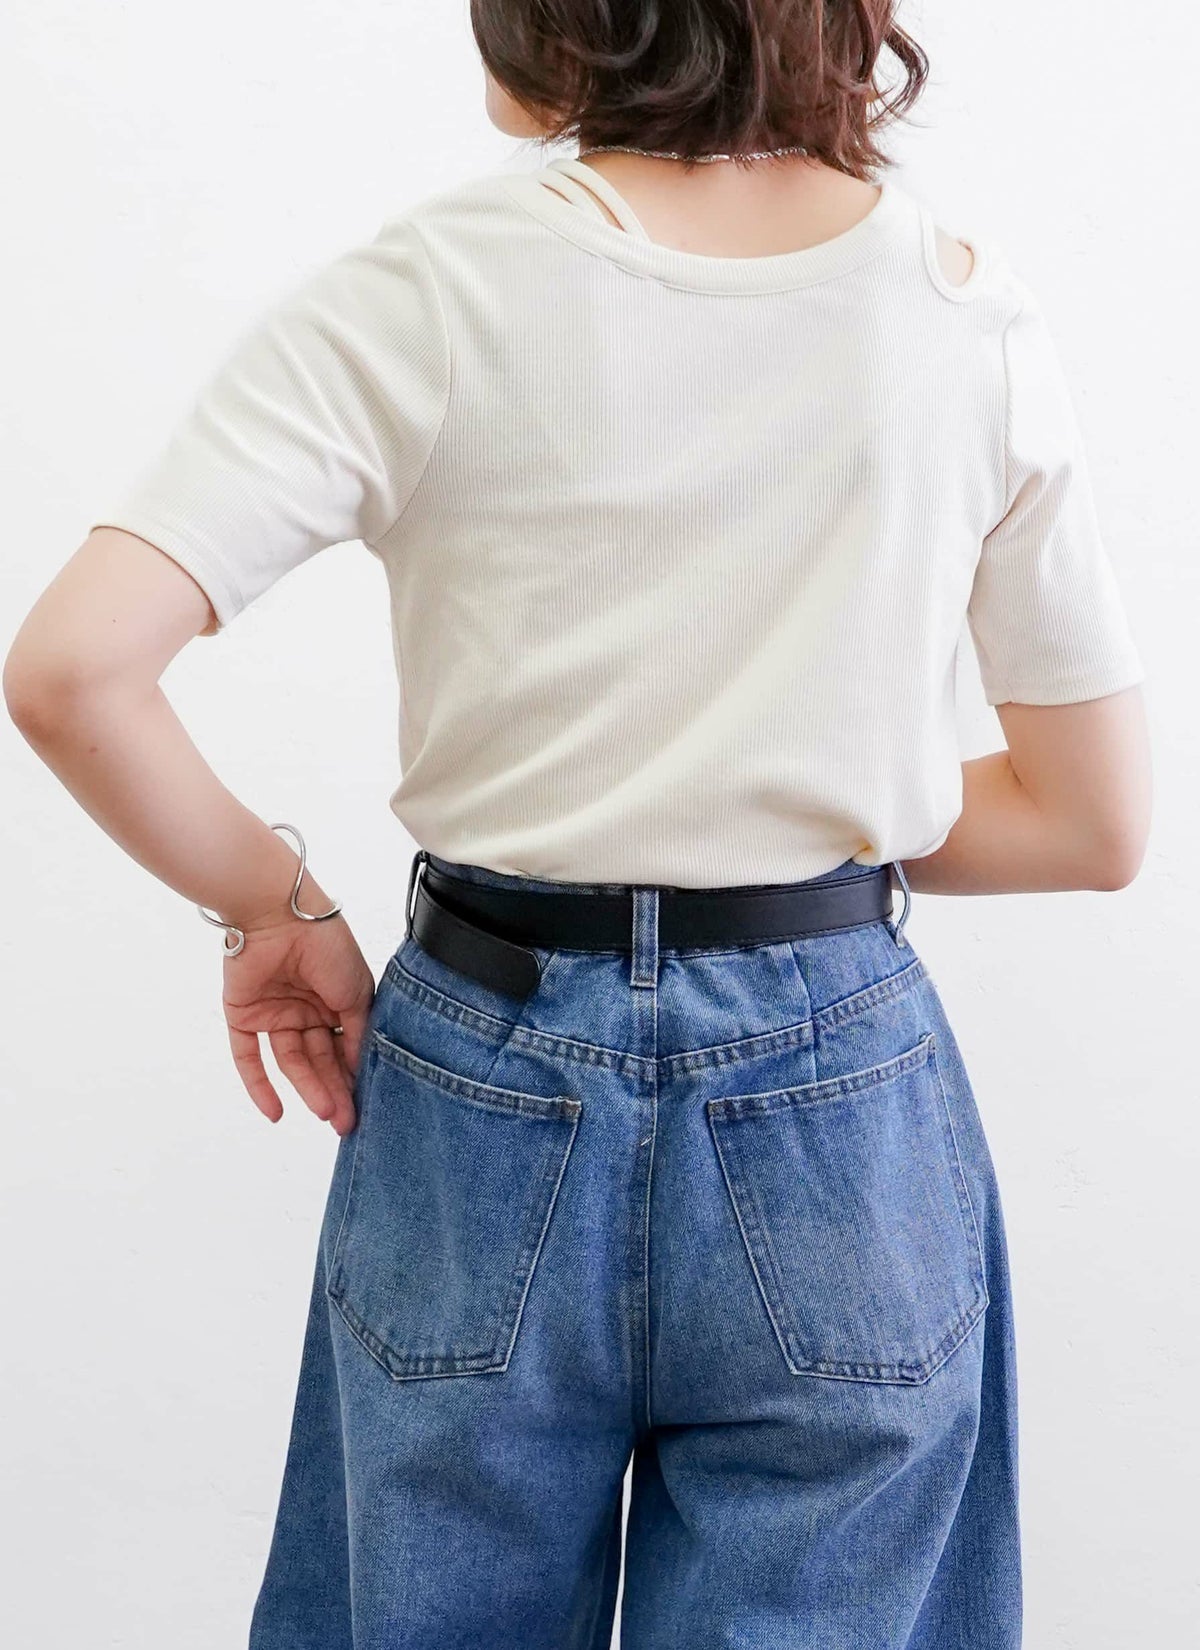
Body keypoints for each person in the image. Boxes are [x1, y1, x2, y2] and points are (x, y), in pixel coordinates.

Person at [3, 3, 1152, 1647]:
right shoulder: (961, 314)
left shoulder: (432, 289)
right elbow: (1090, 820)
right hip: (838, 1087)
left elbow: (72, 672)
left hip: (485, 1058)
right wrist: (780, 791)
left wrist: (272, 906)